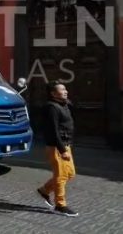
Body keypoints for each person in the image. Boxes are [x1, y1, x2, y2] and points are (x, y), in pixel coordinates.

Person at [36, 81, 78, 217]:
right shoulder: (51, 108)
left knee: (70, 174)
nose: (66, 91)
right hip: (56, 147)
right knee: (60, 176)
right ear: (53, 94)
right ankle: (60, 204)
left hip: (66, 144)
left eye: (65, 89)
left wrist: (66, 147)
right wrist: (62, 150)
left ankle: (44, 190)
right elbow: (53, 131)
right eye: (62, 90)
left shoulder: (63, 104)